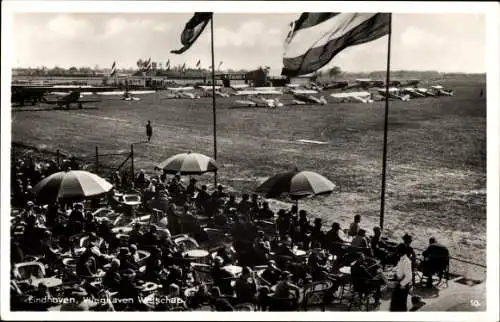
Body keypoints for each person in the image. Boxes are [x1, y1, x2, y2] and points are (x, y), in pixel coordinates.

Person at [390, 244, 413, 311]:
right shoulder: (401, 259)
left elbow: (409, 276)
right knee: (395, 305)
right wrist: (393, 269)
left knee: (401, 306)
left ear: (400, 252)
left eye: (397, 251)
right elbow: (399, 267)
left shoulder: (407, 261)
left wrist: (401, 284)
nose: (396, 252)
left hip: (402, 286)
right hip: (399, 284)